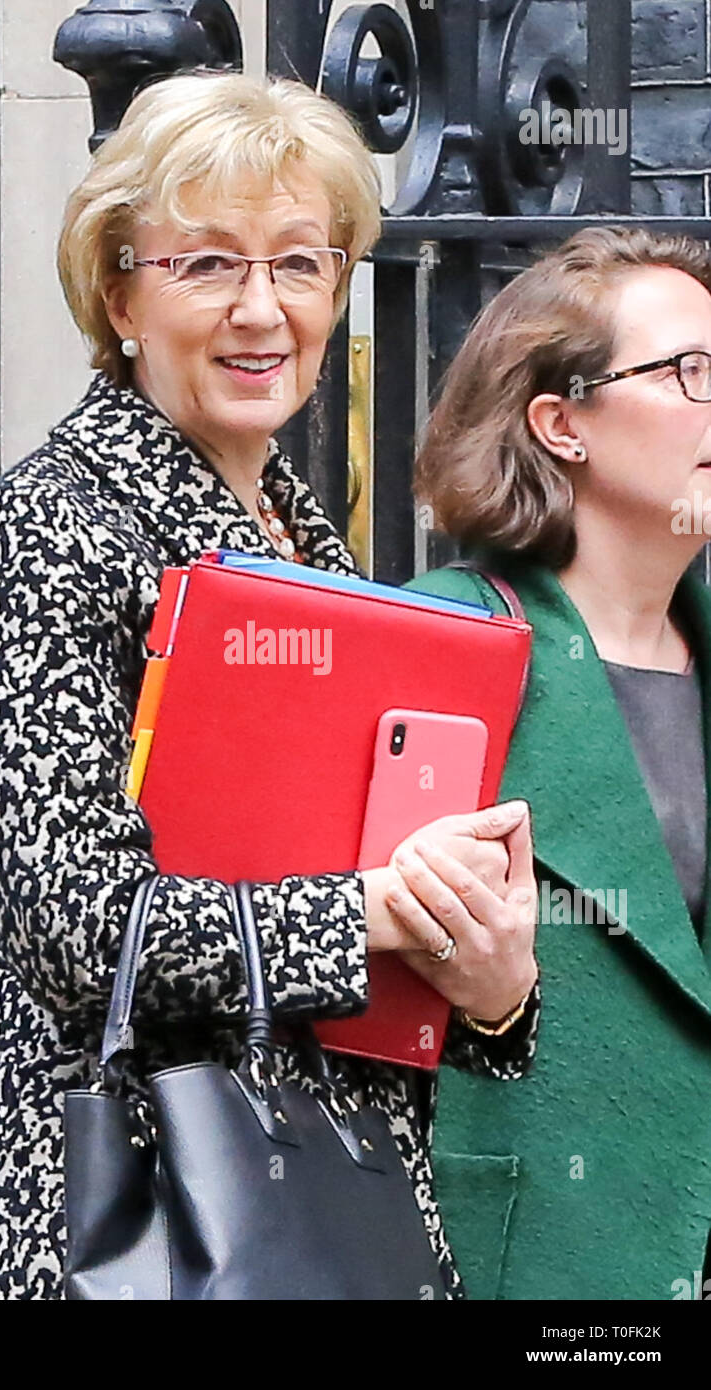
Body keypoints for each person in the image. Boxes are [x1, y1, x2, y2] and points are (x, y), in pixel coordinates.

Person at [0, 71, 539, 1300]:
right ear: (119, 296)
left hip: (325, 1199)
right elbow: (75, 927)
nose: (263, 311)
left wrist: (490, 986)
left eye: (300, 265)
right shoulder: (34, 534)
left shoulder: (318, 558)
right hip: (114, 1208)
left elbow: (374, 916)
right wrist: (370, 911)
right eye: (207, 266)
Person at [407, 225, 711, 1300]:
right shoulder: (434, 648)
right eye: (688, 371)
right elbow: (298, 968)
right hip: (533, 1263)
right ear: (559, 421)